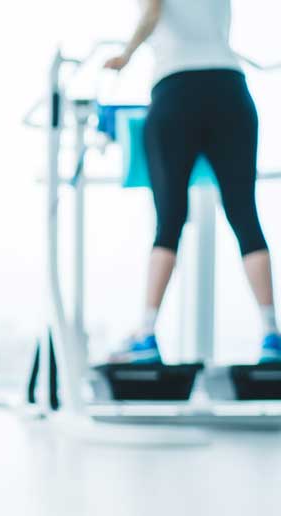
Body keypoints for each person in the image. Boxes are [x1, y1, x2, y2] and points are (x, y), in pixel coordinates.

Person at [104, 0, 279, 364]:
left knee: (168, 221)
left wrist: (126, 56)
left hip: (177, 90)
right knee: (244, 214)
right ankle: (270, 334)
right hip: (230, 88)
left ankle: (147, 334)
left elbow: (151, 13)